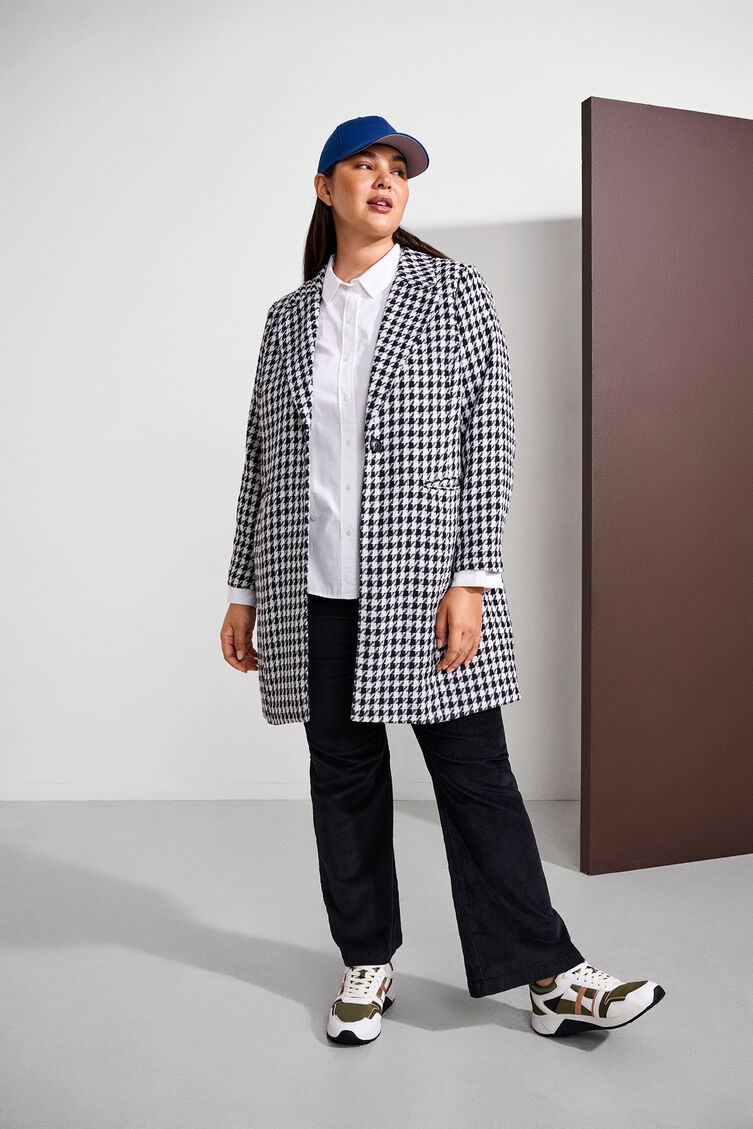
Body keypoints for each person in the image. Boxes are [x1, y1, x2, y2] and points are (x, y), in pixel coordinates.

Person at [220, 115, 666, 1046]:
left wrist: (472, 577)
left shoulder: (452, 292)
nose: (385, 180)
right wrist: (243, 589)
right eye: (363, 165)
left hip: (423, 581)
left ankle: (549, 976)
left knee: (474, 775)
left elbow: (487, 436)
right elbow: (262, 457)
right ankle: (366, 961)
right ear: (325, 188)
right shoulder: (287, 318)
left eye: (398, 169)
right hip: (310, 586)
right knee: (342, 778)